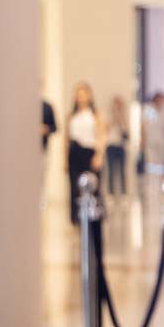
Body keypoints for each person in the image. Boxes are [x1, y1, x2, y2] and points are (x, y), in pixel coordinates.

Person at [64, 82, 105, 226]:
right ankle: (77, 221)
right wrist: (65, 160)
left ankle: (94, 222)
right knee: (74, 189)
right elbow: (66, 139)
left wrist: (99, 155)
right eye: (78, 95)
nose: (80, 98)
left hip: (89, 152)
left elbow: (101, 136)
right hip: (75, 153)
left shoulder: (95, 115)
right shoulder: (71, 116)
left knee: (94, 189)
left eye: (83, 94)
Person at [105, 95, 129, 197]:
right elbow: (106, 129)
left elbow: (127, 134)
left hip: (120, 146)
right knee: (111, 171)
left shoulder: (124, 118)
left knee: (122, 171)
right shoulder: (108, 117)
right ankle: (111, 194)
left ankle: (123, 194)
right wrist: (114, 118)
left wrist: (121, 119)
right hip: (110, 146)